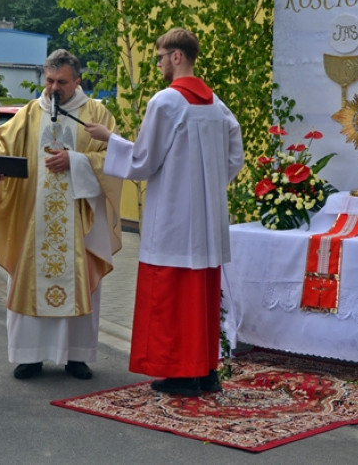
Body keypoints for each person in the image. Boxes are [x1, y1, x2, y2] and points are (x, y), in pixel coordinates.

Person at [86, 29, 243, 397]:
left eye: (159, 57)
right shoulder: (216, 105)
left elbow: (142, 160)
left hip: (174, 217)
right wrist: (209, 186)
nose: (157, 64)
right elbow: (235, 157)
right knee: (200, 296)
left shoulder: (166, 102)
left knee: (170, 296)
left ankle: (181, 373)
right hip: (205, 219)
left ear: (176, 57)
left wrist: (110, 139)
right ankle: (205, 370)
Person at [0, 49, 123, 381]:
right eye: (49, 80)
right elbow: (0, 144)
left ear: (77, 81)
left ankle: (76, 357)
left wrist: (75, 161)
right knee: (27, 279)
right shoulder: (32, 112)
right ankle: (29, 357)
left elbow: (114, 157)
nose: (53, 88)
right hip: (33, 218)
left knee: (80, 283)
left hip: (79, 220)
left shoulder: (96, 114)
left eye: (61, 82)